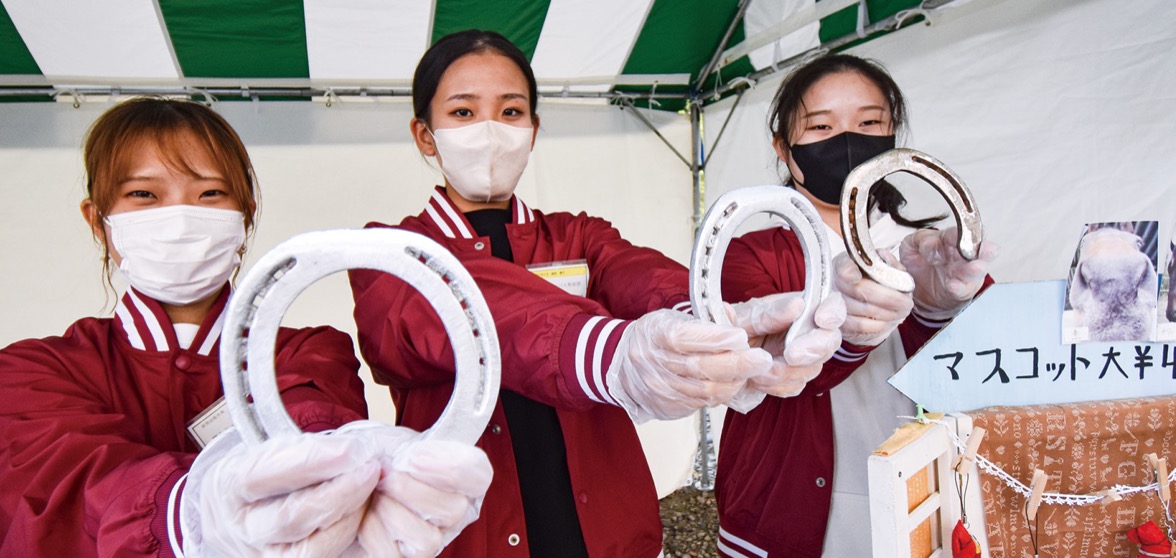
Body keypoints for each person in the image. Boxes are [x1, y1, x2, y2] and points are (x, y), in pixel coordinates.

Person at [349, 30, 846, 558]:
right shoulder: (393, 253)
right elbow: (455, 308)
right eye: (463, 113)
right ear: (425, 135)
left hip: (609, 534)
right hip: (471, 541)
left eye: (511, 112)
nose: (490, 131)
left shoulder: (577, 236)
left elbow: (638, 276)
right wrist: (612, 352)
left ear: (533, 130)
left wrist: (709, 319)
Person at [0, 97, 492, 557]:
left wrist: (360, 456)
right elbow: (73, 487)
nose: (180, 217)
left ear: (244, 213)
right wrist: (194, 510)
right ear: (98, 219)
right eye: (144, 195)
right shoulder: (28, 373)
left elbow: (313, 421)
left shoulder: (306, 351)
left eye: (209, 193)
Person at [713, 54, 997, 557]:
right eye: (821, 126)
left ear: (894, 136)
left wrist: (940, 309)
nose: (847, 141)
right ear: (783, 147)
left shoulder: (937, 253)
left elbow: (988, 376)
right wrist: (849, 328)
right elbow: (757, 373)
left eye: (868, 123)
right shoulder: (750, 255)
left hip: (924, 503)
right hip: (786, 510)